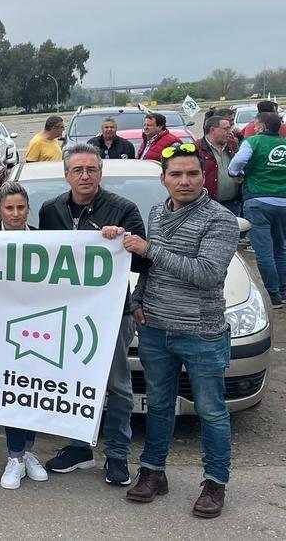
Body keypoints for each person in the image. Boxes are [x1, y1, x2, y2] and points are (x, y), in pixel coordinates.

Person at [123, 143, 238, 518]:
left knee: (211, 411)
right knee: (158, 405)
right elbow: (149, 269)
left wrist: (150, 249)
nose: (184, 181)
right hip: (155, 328)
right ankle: (154, 471)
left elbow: (208, 273)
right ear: (163, 180)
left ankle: (214, 482)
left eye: (191, 174)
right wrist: (137, 300)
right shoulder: (157, 212)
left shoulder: (219, 220)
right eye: (175, 174)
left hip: (201, 331)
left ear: (202, 177)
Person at [38, 144, 147, 487]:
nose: (85, 176)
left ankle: (116, 455)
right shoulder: (50, 209)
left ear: (101, 173)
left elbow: (144, 262)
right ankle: (78, 447)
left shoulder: (123, 209)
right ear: (66, 174)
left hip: (112, 312)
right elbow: (42, 257)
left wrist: (124, 241)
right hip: (68, 312)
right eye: (78, 170)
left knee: (116, 385)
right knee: (73, 382)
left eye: (92, 169)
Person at [0, 181, 49, 490]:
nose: (15, 213)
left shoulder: (47, 241)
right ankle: (13, 456)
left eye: (21, 207)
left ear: (29, 208)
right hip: (1, 331)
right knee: (11, 391)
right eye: (9, 208)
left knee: (33, 391)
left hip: (38, 328)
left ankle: (28, 451)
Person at [228, 111, 286, 308]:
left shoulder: (253, 142)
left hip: (258, 200)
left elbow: (237, 162)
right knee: (281, 248)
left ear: (260, 127)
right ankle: (284, 290)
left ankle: (274, 296)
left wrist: (235, 173)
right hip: (283, 202)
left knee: (264, 252)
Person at [198, 115, 240, 216]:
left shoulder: (232, 145)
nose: (230, 131)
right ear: (213, 130)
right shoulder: (197, 148)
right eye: (226, 128)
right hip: (207, 206)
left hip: (232, 204)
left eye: (230, 127)